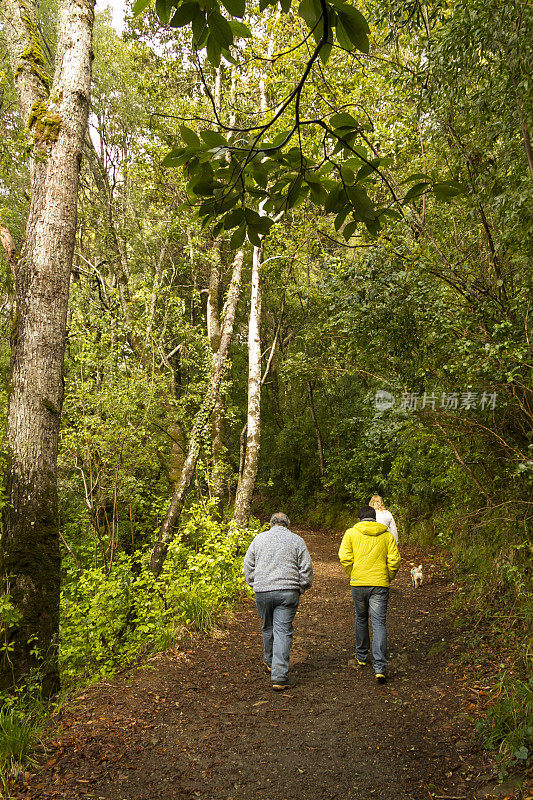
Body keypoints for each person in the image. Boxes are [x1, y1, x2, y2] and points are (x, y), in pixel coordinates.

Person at [243, 512, 313, 691]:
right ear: (287, 524)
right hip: (288, 591)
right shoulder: (297, 540)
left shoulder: (258, 539)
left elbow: (248, 565)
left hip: (263, 591)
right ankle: (279, 675)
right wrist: (301, 587)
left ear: (271, 524)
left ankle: (269, 661)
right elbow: (306, 569)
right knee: (282, 631)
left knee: (267, 626)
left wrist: (254, 583)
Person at [338, 505, 401, 684]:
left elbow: (344, 557)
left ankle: (362, 656)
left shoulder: (351, 533)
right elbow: (394, 560)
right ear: (375, 518)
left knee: (361, 617)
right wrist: (387, 577)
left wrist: (353, 573)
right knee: (379, 622)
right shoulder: (387, 535)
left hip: (358, 583)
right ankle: (380, 666)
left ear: (359, 519)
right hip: (380, 584)